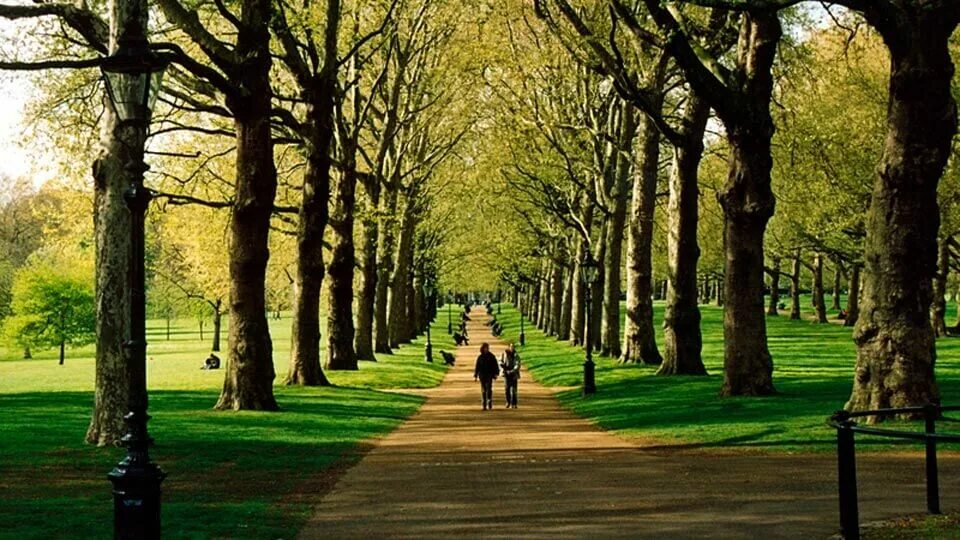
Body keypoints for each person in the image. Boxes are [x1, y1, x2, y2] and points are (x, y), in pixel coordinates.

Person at [474, 343, 499, 411]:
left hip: (489, 374)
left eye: (487, 348)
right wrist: (475, 375)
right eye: (485, 348)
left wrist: (496, 373)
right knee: (483, 389)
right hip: (482, 375)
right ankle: (484, 404)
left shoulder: (491, 356)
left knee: (489, 387)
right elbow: (477, 366)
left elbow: (495, 365)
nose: (487, 349)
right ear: (483, 348)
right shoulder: (480, 357)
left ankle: (489, 400)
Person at [500, 344, 521, 408]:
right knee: (507, 389)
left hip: (514, 374)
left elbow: (518, 364)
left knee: (514, 390)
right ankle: (508, 402)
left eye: (513, 347)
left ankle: (514, 403)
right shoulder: (504, 353)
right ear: (509, 347)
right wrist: (502, 365)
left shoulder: (516, 355)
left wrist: (513, 371)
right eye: (511, 347)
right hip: (506, 373)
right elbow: (500, 361)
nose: (512, 348)